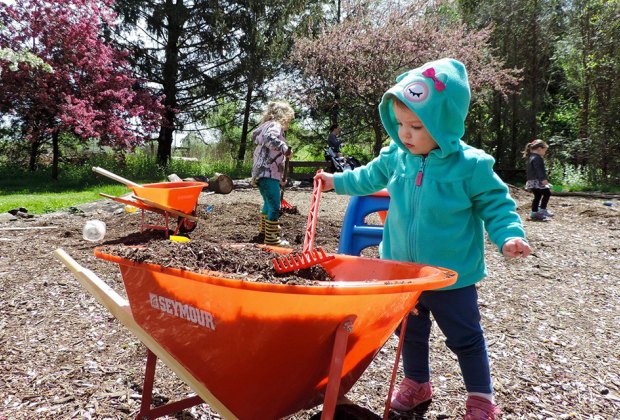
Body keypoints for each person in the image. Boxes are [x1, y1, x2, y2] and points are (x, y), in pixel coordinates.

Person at [314, 58, 531, 419]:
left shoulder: (471, 165)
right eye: (400, 124)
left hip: (451, 275)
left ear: (443, 125)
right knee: (408, 335)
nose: (405, 134)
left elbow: (497, 205)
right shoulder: (396, 157)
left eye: (416, 125)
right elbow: (367, 178)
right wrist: (336, 181)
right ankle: (417, 383)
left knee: (465, 338)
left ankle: (480, 397)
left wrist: (508, 236)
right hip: (402, 272)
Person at [251, 100, 294, 246]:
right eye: (288, 118)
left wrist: (280, 177)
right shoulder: (275, 125)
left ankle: (265, 231)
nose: (288, 122)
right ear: (283, 116)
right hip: (267, 173)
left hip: (262, 173)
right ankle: (271, 239)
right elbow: (270, 139)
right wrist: (285, 147)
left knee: (267, 204)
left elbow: (272, 156)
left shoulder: (264, 126)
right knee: (275, 206)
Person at [524, 139, 553, 221]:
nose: (545, 153)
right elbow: (539, 170)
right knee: (547, 194)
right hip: (538, 181)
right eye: (545, 150)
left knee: (537, 196)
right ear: (540, 149)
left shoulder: (531, 157)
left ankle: (534, 213)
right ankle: (542, 211)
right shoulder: (537, 158)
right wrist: (544, 180)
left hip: (531, 181)